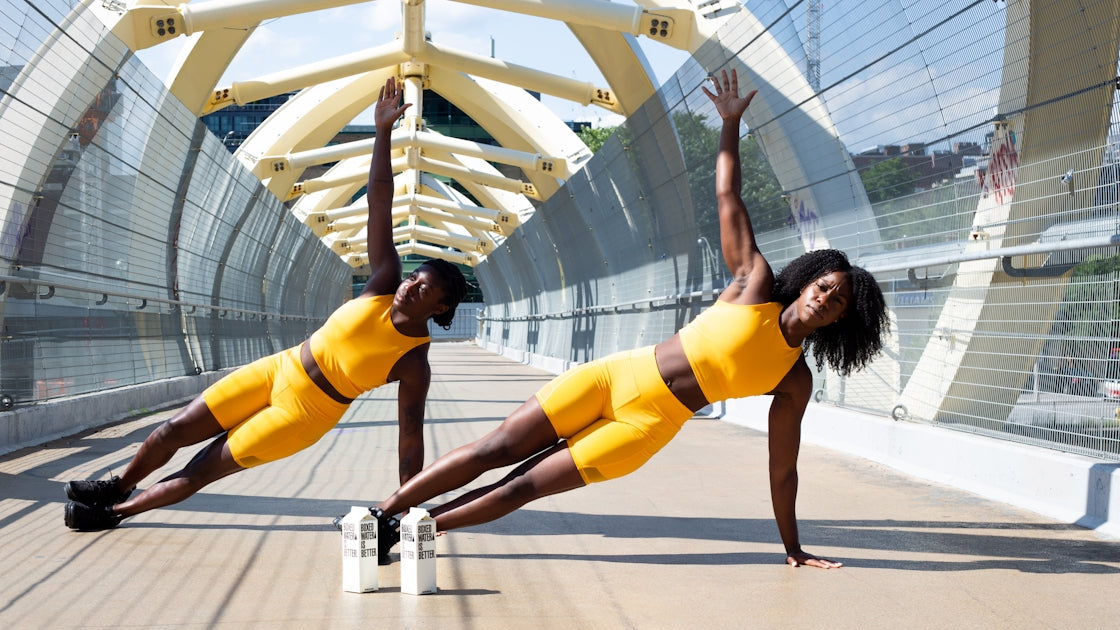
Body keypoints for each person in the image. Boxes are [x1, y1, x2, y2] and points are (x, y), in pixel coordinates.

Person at [359, 69, 889, 568]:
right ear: (809, 280)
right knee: (494, 449)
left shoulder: (794, 378)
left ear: (842, 320)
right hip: (614, 376)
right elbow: (728, 196)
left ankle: (412, 533)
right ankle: (381, 514)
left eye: (839, 302)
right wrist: (729, 123)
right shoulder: (752, 285)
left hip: (646, 425)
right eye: (825, 287)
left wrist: (792, 545)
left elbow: (782, 468)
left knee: (521, 486)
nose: (826, 299)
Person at [64, 77, 467, 541]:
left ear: (441, 307)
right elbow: (379, 201)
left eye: (424, 289)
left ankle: (117, 512)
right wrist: (381, 132)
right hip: (279, 368)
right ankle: (118, 485)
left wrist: (404, 505)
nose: (410, 287)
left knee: (201, 468)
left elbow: (409, 437)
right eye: (415, 277)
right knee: (172, 430)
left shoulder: (415, 361)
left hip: (303, 414)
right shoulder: (382, 282)